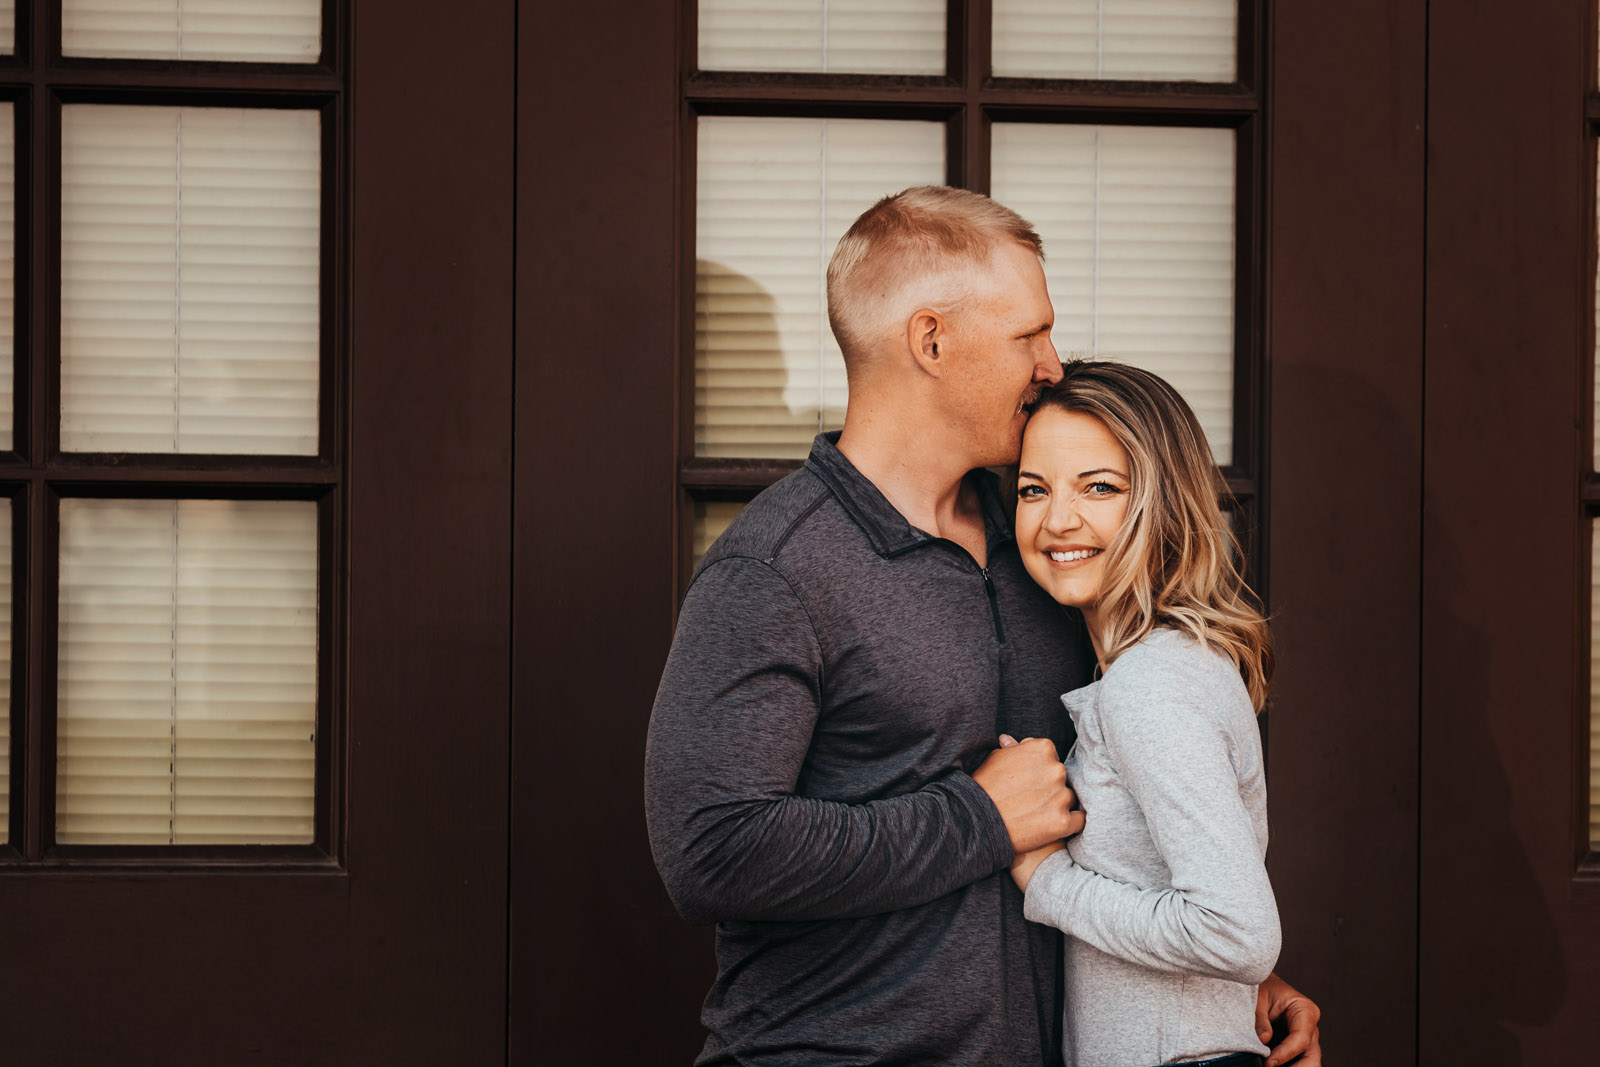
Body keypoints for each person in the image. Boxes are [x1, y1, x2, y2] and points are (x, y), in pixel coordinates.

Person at [645, 185, 1321, 1066]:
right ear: (932, 340)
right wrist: (979, 819)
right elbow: (711, 850)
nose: (1050, 363)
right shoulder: (774, 570)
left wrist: (1220, 986)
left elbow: (1125, 816)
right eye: (1029, 334)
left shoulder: (1044, 549)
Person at [1008, 361, 1284, 1067]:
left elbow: (1237, 931)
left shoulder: (1151, 684)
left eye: (1100, 486)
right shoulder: (1166, 664)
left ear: (1163, 501)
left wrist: (1049, 882)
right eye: (1033, 488)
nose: (1058, 518)